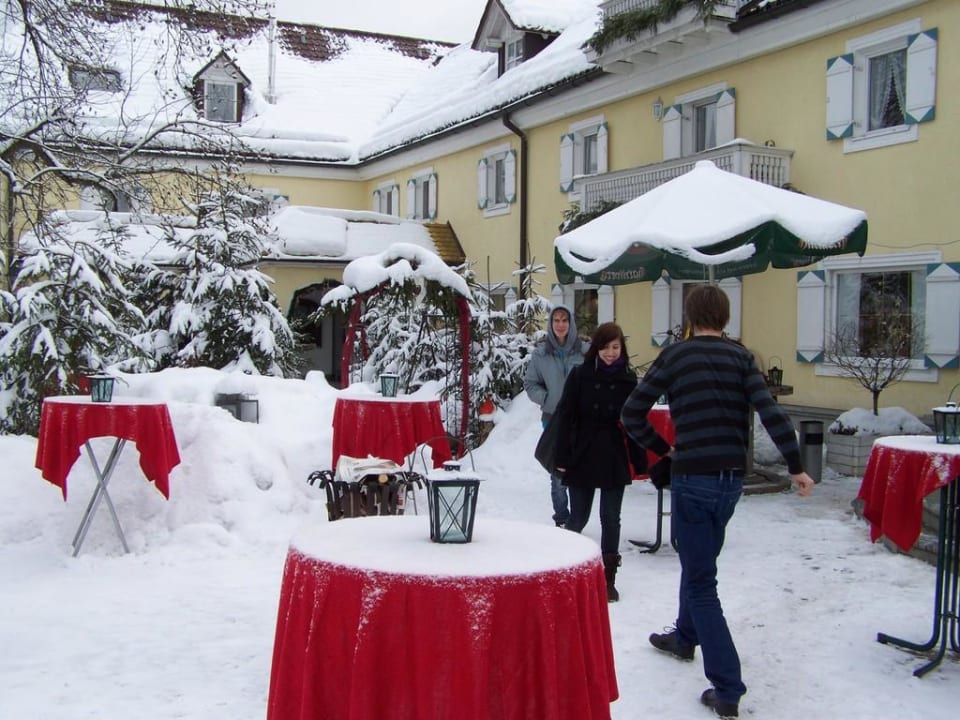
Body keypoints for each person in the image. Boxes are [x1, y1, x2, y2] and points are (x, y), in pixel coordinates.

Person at [620, 284, 814, 719]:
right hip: (730, 481)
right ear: (725, 318)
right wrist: (796, 464)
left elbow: (632, 412)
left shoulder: (675, 355)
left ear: (690, 317)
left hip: (693, 479)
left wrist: (664, 449)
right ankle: (685, 638)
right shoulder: (742, 358)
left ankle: (727, 686)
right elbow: (770, 412)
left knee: (702, 580)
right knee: (700, 563)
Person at [552, 322, 646, 602]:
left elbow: (636, 421)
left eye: (615, 347)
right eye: (605, 347)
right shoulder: (580, 375)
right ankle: (562, 568)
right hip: (583, 452)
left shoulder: (628, 380)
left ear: (622, 349)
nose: (610, 353)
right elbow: (565, 416)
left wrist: (640, 460)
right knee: (578, 516)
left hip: (613, 454)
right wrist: (562, 457)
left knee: (610, 518)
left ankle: (608, 578)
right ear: (596, 348)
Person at [524, 305, 586, 528]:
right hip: (553, 417)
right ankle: (561, 516)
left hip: (581, 418)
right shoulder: (540, 354)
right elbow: (530, 383)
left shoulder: (584, 351)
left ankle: (578, 517)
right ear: (550, 324)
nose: (561, 325)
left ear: (571, 324)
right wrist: (547, 398)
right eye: (556, 320)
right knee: (557, 468)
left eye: (564, 320)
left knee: (579, 466)